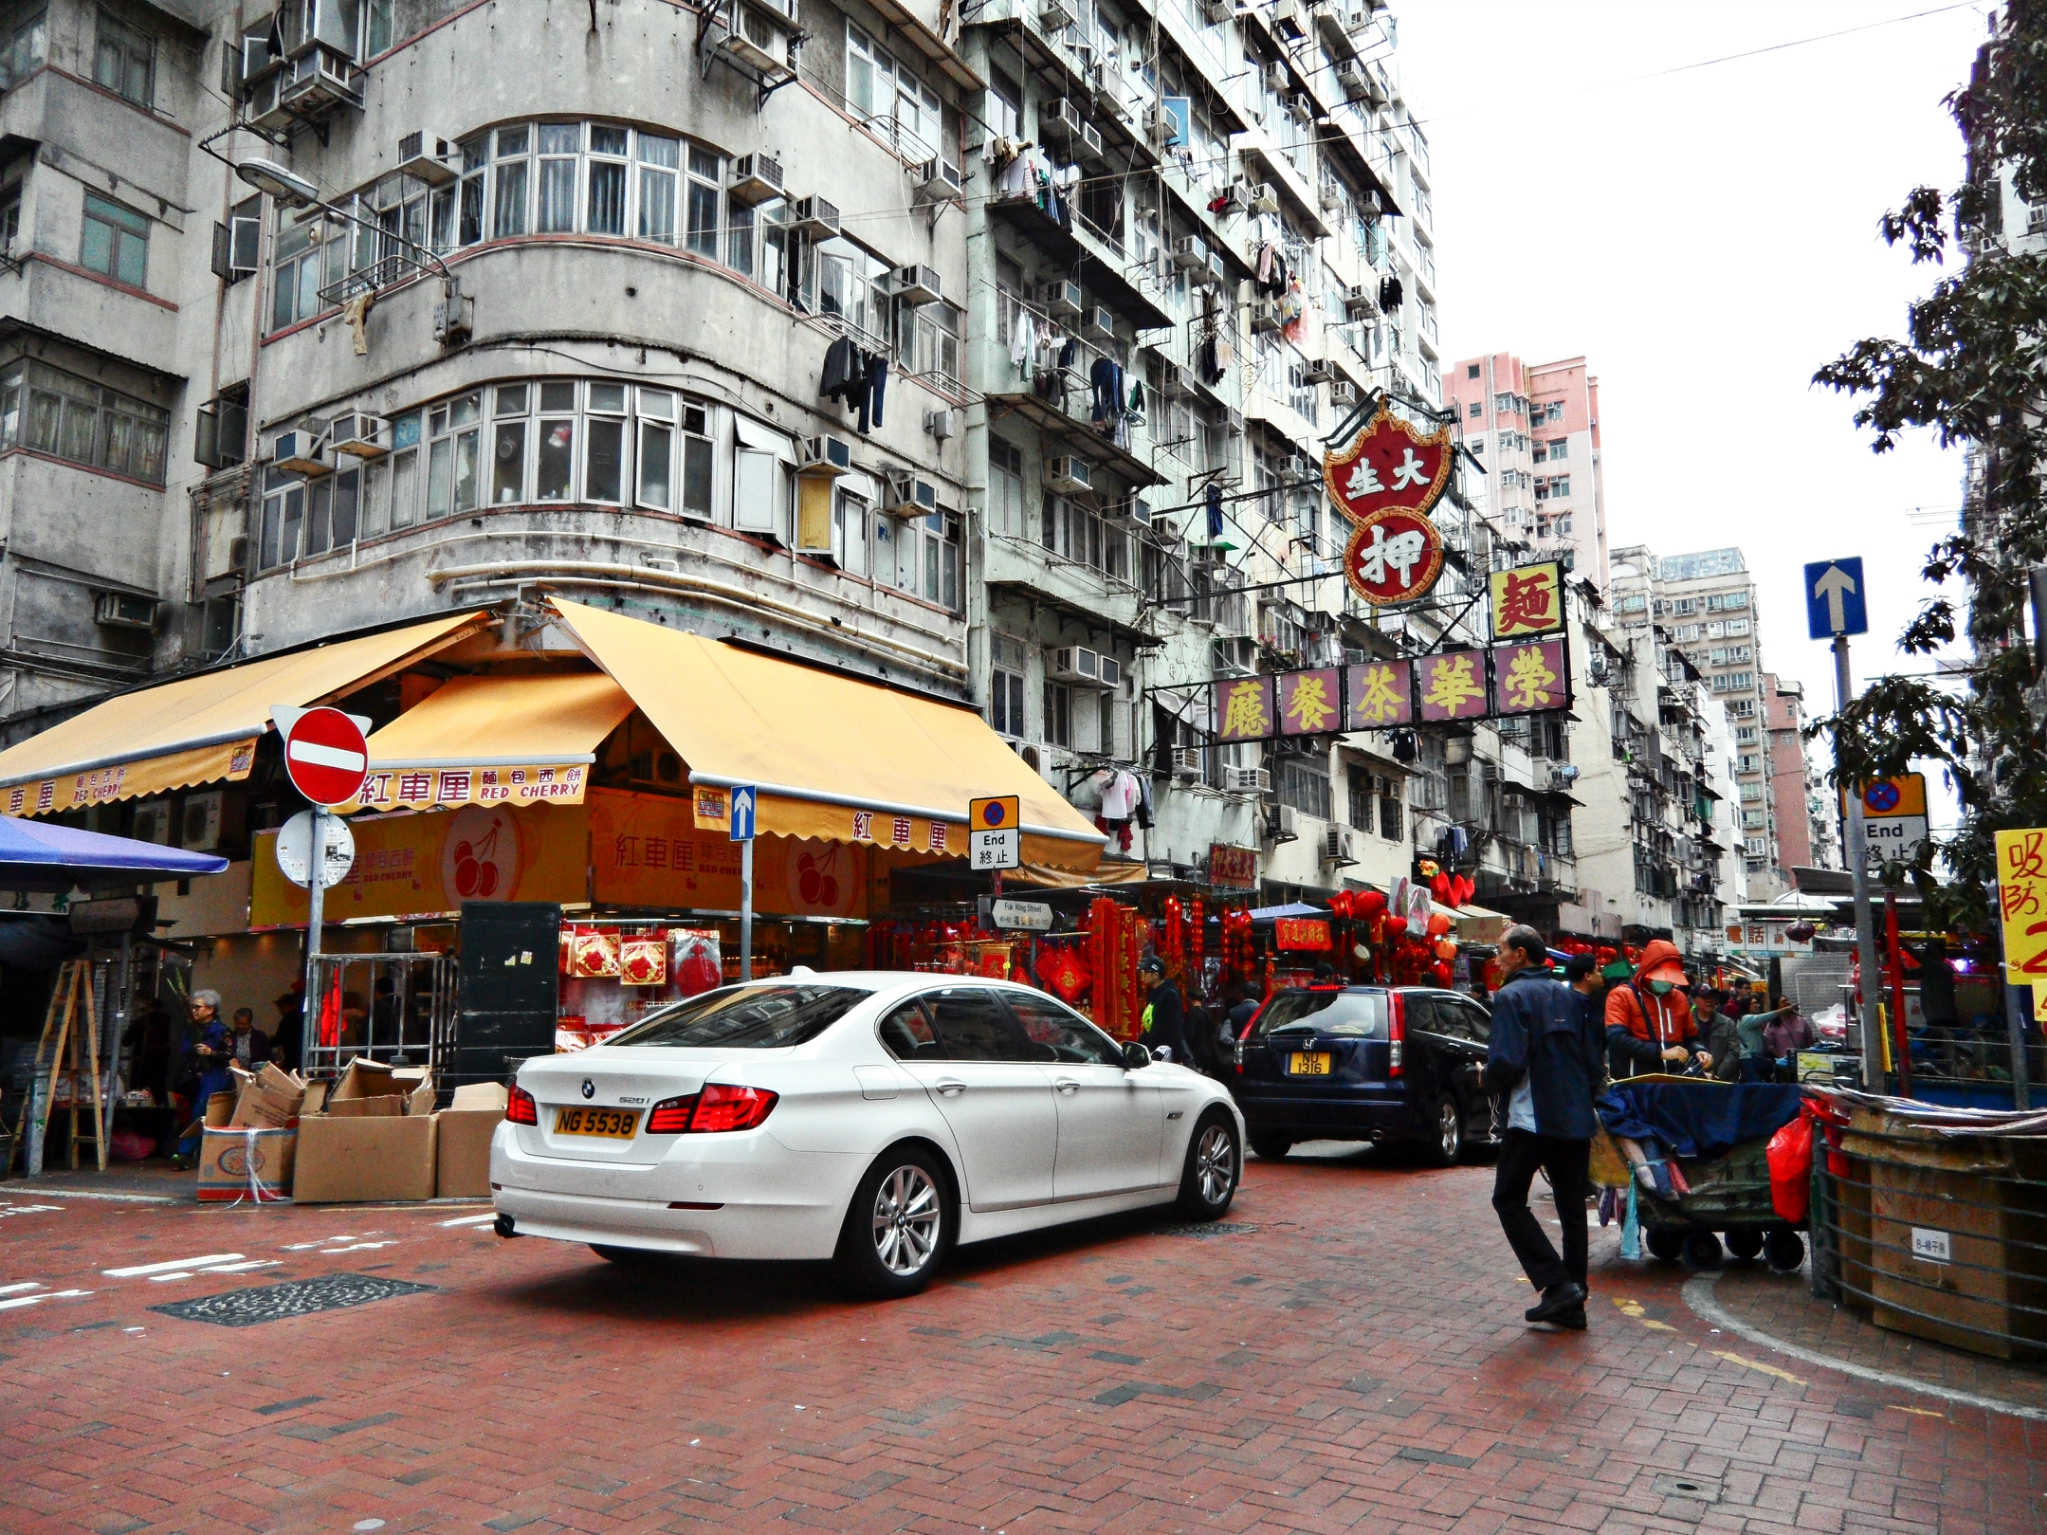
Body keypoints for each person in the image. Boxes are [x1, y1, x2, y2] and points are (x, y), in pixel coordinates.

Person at [1483, 925, 1605, 1331]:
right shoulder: (1571, 997)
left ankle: (1556, 1285)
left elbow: (1507, 1061)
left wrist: (1483, 1078)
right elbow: (1592, 1061)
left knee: (1508, 1199)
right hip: (1575, 1117)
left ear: (1519, 954)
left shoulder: (1511, 997)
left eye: (1500, 951)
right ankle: (1574, 1302)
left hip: (1532, 1117)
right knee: (1572, 1209)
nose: (1496, 959)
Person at [1604, 939, 1710, 1079]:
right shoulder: (1621, 995)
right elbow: (1617, 1040)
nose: (1666, 982)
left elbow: (1690, 1038)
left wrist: (1699, 1050)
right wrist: (1660, 1053)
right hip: (1634, 1083)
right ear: (1646, 971)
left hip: (1674, 1080)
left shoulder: (1679, 998)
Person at [172, 991, 234, 1169]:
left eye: (198, 1007)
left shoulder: (222, 1030)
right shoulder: (191, 1029)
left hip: (213, 1077)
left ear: (211, 1009)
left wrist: (211, 1053)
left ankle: (185, 1153)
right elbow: (184, 1051)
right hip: (193, 1077)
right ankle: (190, 1151)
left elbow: (230, 1054)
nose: (194, 1010)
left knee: (199, 1112)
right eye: (193, 1007)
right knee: (191, 1111)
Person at [1138, 956, 1189, 1064]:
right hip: (1153, 1049)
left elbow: (1175, 1026)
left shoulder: (1170, 995)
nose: (1143, 974)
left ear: (1155, 975)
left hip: (1164, 1051)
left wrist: (1177, 1056)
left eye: (1146, 971)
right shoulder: (1154, 994)